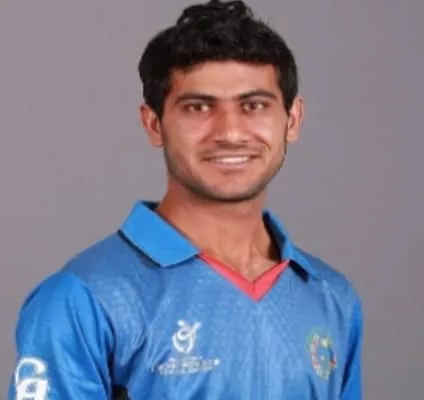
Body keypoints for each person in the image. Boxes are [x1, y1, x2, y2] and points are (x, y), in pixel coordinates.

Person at [8, 0, 363, 399]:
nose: (230, 132)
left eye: (254, 106)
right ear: (154, 124)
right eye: (198, 107)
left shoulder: (331, 296)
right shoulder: (84, 297)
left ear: (292, 120)